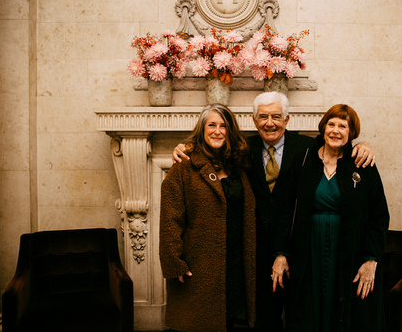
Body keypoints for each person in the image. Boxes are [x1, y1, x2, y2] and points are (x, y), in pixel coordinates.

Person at [172, 92, 376, 331]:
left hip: (300, 246)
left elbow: (338, 144)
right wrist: (184, 147)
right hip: (255, 247)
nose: (270, 122)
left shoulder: (308, 147)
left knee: (302, 312)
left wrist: (363, 146)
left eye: (276, 116)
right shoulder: (241, 148)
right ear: (254, 120)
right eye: (263, 117)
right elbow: (212, 150)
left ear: (287, 119)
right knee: (264, 317)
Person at [280, 104, 390, 331]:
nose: (335, 130)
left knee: (345, 312)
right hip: (309, 251)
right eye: (331, 124)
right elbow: (284, 208)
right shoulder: (304, 159)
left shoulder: (362, 162)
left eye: (343, 126)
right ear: (323, 127)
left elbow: (379, 215)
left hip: (350, 252)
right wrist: (280, 253)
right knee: (308, 310)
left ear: (351, 133)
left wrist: (371, 258)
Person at [159, 104, 256, 332]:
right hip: (199, 263)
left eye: (224, 126)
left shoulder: (238, 166)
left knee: (229, 319)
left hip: (234, 261)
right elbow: (170, 220)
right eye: (211, 125)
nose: (217, 131)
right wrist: (175, 262)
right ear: (202, 129)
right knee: (198, 323)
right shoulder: (184, 166)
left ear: (230, 131)